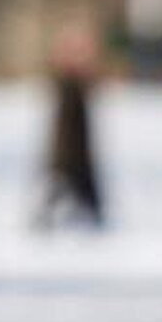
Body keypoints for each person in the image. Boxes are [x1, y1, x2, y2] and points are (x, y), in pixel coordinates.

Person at [38, 24, 106, 230]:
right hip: (64, 159)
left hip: (80, 160)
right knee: (60, 182)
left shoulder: (81, 91)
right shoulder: (63, 89)